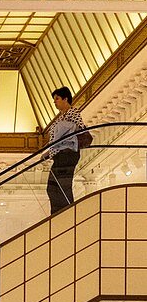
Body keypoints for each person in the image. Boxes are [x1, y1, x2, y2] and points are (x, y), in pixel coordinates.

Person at [45, 87, 88, 215]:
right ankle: (58, 214)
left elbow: (75, 130)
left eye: (57, 99)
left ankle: (67, 214)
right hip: (59, 155)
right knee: (52, 187)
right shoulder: (61, 117)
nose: (55, 102)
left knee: (63, 186)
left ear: (65, 98)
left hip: (68, 153)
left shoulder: (73, 112)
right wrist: (48, 152)